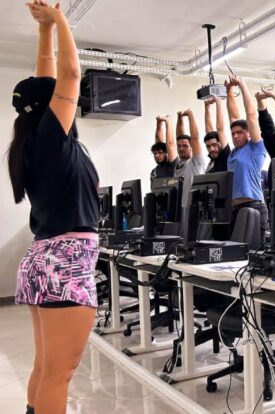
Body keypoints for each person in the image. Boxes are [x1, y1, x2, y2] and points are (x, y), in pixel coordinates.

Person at [7, 3, 99, 413]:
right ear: (51, 106)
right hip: (64, 262)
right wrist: (62, 18)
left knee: (47, 367)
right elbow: (70, 75)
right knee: (59, 372)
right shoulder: (51, 137)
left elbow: (48, 76)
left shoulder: (33, 140)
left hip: (45, 259)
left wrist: (45, 30)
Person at [225, 75, 269, 242]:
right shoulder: (234, 152)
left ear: (249, 133)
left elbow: (250, 115)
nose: (235, 136)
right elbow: (233, 117)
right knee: (236, 253)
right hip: (236, 208)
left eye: (240, 133)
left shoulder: (255, 148)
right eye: (233, 134)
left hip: (254, 206)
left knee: (253, 255)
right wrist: (229, 90)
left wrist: (242, 85)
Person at [202, 96, 231, 173]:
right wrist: (207, 106)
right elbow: (209, 130)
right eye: (208, 146)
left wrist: (218, 103)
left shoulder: (226, 156)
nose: (211, 149)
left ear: (220, 143)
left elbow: (220, 129)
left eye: (214, 145)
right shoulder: (213, 160)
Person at [150, 114, 179, 184]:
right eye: (155, 153)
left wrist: (168, 122)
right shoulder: (154, 172)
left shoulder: (173, 165)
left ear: (167, 152)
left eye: (160, 153)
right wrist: (158, 123)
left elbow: (170, 143)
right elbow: (158, 140)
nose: (157, 155)